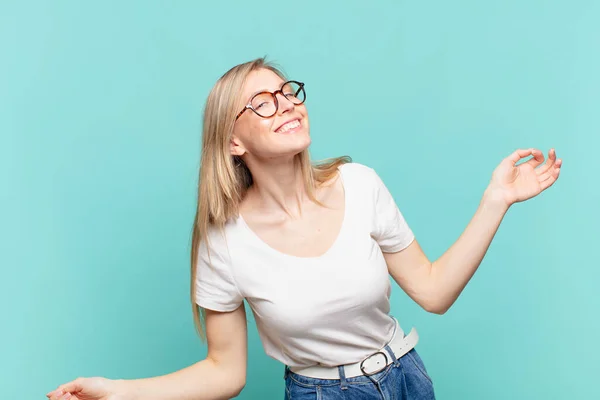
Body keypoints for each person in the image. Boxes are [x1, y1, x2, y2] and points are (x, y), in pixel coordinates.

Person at [46, 57, 562, 400]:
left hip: (407, 376)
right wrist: (118, 391)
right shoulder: (223, 243)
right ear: (232, 143)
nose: (287, 103)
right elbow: (225, 371)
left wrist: (497, 201)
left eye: (287, 92)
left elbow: (433, 291)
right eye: (262, 103)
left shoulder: (360, 184)